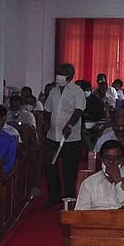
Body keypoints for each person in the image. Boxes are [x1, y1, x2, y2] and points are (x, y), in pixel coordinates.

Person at [44, 62, 86, 207]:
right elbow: (47, 110)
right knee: (50, 168)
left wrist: (69, 125)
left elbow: (79, 110)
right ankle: (54, 197)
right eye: (58, 73)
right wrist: (45, 126)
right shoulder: (53, 91)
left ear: (70, 76)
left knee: (69, 171)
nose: (59, 76)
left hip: (71, 138)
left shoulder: (77, 91)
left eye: (62, 74)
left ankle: (68, 200)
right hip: (52, 136)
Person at [74, 140, 124, 211]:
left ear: (122, 159)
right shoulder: (89, 183)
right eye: (108, 158)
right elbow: (80, 212)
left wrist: (118, 182)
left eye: (116, 158)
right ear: (101, 158)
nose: (112, 162)